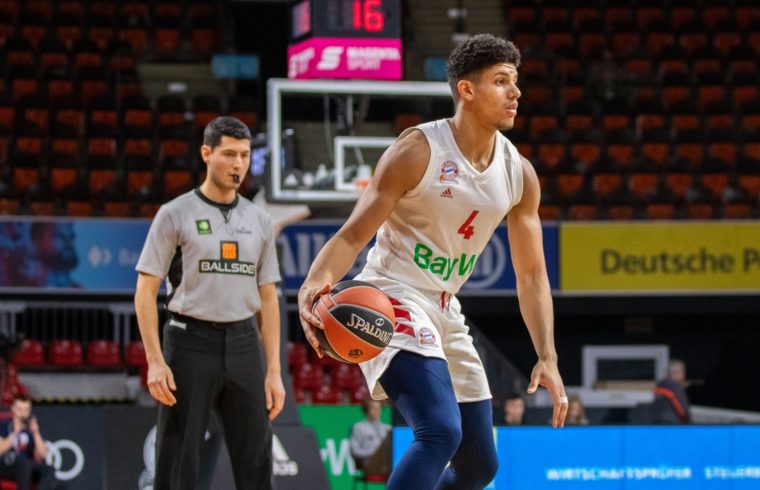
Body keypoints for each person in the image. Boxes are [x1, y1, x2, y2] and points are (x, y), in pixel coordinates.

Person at [298, 34, 567, 489]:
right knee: (439, 431)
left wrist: (547, 355)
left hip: (445, 306)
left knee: (480, 466)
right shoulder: (418, 150)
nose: (515, 92)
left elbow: (532, 273)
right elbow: (353, 234)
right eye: (501, 82)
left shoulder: (519, 173)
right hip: (391, 293)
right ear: (466, 89)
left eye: (516, 82)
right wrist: (315, 281)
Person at [134, 116, 285, 490]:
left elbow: (268, 298)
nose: (238, 164)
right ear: (206, 153)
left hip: (244, 342)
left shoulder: (260, 220)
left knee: (257, 455)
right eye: (229, 154)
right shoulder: (174, 213)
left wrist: (274, 371)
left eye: (245, 156)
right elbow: (144, 291)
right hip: (188, 342)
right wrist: (155, 361)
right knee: (177, 454)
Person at [0, 394, 64, 490]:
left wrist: (36, 433)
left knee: (48, 469)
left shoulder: (32, 429)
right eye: (19, 409)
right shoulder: (4, 425)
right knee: (24, 464)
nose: (23, 413)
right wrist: (14, 433)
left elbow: (44, 456)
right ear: (12, 408)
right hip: (6, 465)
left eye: (26, 410)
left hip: (27, 466)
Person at [350, 397, 391, 473]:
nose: (377, 411)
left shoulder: (388, 428)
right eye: (374, 408)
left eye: (379, 408)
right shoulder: (358, 427)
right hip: (368, 461)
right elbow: (355, 451)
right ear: (367, 410)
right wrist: (373, 453)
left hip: (386, 462)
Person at [651, 359, 691, 424]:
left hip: (656, 421)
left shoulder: (660, 385)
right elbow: (680, 407)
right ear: (677, 372)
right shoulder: (675, 386)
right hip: (672, 423)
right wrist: (687, 420)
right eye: (683, 371)